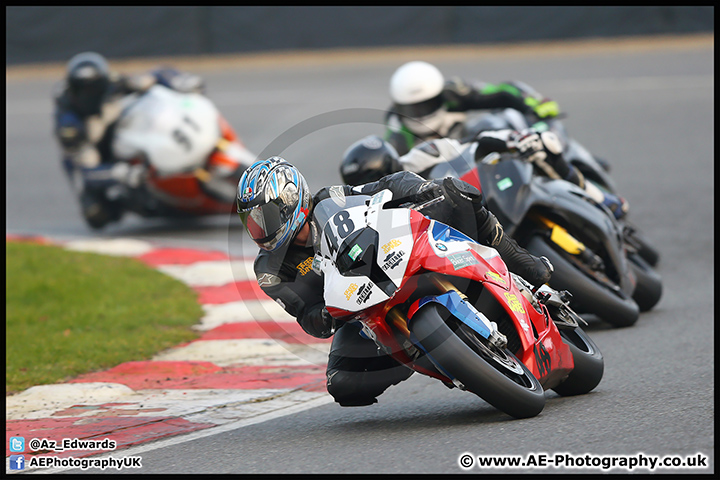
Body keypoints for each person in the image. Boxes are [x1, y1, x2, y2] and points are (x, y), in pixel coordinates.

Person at [236, 156, 552, 407]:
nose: (260, 229)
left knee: (458, 194)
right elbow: (308, 318)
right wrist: (325, 314)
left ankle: (526, 267)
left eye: (267, 217)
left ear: (292, 201)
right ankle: (433, 353)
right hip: (357, 312)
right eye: (252, 221)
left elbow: (386, 186)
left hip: (395, 261)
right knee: (344, 385)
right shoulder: (270, 268)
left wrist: (423, 189)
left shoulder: (331, 200)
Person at [52, 51, 206, 228]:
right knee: (96, 214)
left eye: (95, 89)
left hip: (121, 132)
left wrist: (180, 82)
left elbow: (153, 76)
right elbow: (87, 172)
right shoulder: (69, 126)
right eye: (83, 91)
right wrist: (120, 173)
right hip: (95, 153)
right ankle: (133, 203)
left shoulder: (113, 82)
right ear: (73, 91)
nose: (90, 95)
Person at [340, 130, 628, 220]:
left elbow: (469, 145)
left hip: (482, 191)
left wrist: (512, 141)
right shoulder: (381, 214)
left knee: (542, 148)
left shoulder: (420, 155)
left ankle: (602, 198)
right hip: (464, 229)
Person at [383, 60, 561, 157]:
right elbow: (394, 164)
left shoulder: (455, 93)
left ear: (439, 95)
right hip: (442, 180)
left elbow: (503, 92)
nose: (420, 113)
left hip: (478, 152)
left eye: (426, 104)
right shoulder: (396, 127)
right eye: (411, 109)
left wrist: (535, 102)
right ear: (398, 106)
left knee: (493, 121)